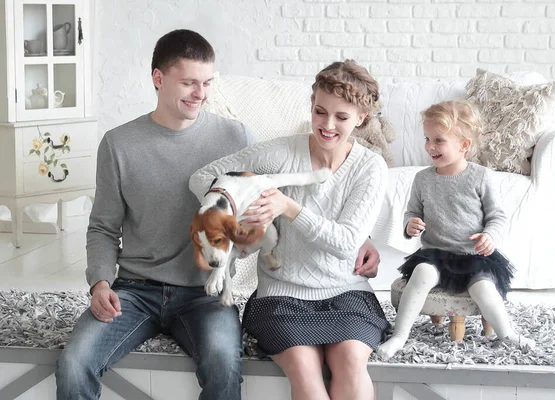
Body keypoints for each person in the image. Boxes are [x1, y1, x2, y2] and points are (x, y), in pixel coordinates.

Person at [55, 30, 381, 400]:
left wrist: (360, 235)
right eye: (190, 82)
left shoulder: (237, 136)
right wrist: (100, 282)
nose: (201, 93)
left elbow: (274, 194)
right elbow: (102, 226)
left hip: (205, 293)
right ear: (158, 79)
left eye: (207, 82)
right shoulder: (118, 144)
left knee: (225, 364)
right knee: (73, 363)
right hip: (134, 289)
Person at [189, 59, 389, 400]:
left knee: (351, 364)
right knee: (305, 371)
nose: (327, 125)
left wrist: (289, 208)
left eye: (341, 117)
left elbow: (345, 244)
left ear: (362, 119)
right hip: (282, 296)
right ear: (310, 106)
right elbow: (200, 178)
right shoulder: (281, 152)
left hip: (348, 293)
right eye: (320, 112)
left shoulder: (370, 167)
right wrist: (237, 207)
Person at [376, 101, 536, 360]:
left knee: (483, 289)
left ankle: (508, 334)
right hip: (436, 254)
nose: (430, 146)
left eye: (439, 140)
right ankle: (399, 335)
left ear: (464, 145)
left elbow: (497, 216)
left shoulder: (481, 176)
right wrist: (410, 224)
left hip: (473, 257)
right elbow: (412, 212)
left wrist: (489, 235)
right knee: (420, 275)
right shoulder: (423, 179)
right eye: (427, 139)